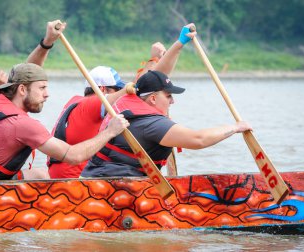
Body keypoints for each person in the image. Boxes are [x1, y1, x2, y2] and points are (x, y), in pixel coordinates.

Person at [80, 27, 252, 178]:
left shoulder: (129, 97)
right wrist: (235, 127)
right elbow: (198, 139)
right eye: (168, 96)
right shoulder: (152, 124)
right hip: (113, 189)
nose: (173, 101)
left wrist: (179, 44)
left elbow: (155, 75)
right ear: (153, 98)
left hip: (94, 177)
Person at [0, 61, 129, 181]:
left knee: (41, 174)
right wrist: (110, 132)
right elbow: (73, 156)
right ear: (21, 89)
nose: (47, 94)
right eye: (42, 88)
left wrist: (47, 42)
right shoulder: (24, 125)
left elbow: (26, 69)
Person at [47, 42, 168, 179]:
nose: (120, 97)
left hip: (63, 175)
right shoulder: (91, 104)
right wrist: (154, 60)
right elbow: (134, 90)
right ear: (102, 90)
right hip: (76, 181)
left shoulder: (75, 100)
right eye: (117, 90)